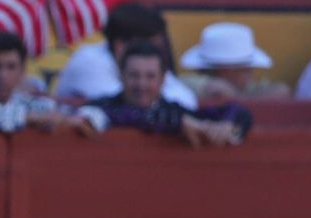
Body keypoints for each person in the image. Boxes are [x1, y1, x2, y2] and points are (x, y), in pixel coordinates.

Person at [78, 41, 251, 148]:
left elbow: (238, 111)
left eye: (150, 76)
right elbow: (124, 115)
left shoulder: (175, 111)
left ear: (163, 80)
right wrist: (177, 124)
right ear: (121, 76)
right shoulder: (103, 107)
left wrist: (228, 124)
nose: (142, 84)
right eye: (134, 75)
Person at [54, 1, 197, 109]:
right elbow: (131, 104)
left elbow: (186, 100)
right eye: (150, 45)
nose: (153, 51)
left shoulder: (147, 61)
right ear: (120, 46)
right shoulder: (88, 61)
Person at [178, 22, 289, 101]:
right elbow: (218, 90)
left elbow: (282, 90)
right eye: (245, 70)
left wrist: (239, 98)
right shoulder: (188, 82)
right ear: (226, 70)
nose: (251, 73)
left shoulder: (245, 87)